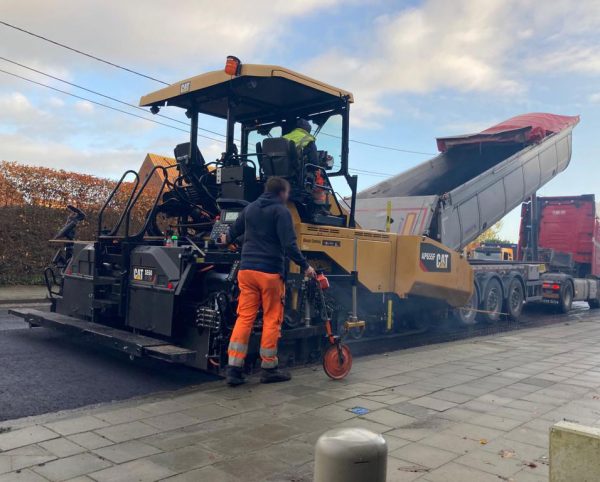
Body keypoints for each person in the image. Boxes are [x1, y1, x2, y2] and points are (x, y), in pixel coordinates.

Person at [218, 176, 316, 386]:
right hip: (269, 273)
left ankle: (234, 369)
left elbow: (231, 234)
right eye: (287, 193)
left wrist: (222, 240)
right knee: (272, 318)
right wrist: (306, 266)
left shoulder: (250, 208)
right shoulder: (281, 211)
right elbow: (289, 245)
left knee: (244, 317)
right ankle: (269, 368)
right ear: (281, 193)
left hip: (247, 272)